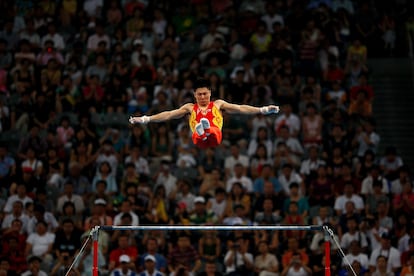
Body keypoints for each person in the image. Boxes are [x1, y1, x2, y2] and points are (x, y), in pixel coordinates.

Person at [129, 78, 279, 149]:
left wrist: (262, 110)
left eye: (205, 94)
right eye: (199, 94)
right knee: (197, 135)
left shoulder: (218, 104)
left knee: (213, 132)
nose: (202, 97)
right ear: (194, 95)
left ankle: (206, 130)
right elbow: (168, 114)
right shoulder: (189, 107)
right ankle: (203, 131)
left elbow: (240, 108)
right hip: (198, 140)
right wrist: (144, 119)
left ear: (210, 93)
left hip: (215, 136)